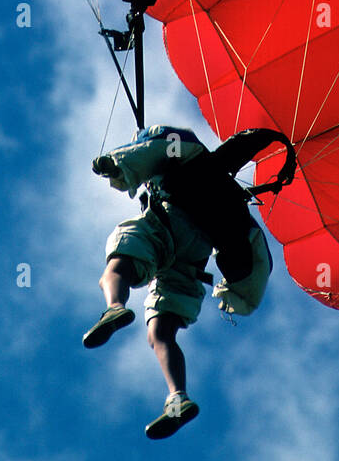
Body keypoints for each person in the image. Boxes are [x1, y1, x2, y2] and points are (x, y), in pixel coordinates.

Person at [82, 123, 296, 439]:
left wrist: (113, 163)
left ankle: (115, 306)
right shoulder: (231, 204)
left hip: (163, 226)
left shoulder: (185, 150)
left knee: (117, 263)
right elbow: (254, 258)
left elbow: (148, 151)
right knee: (162, 331)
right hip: (190, 259)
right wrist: (238, 295)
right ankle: (177, 397)